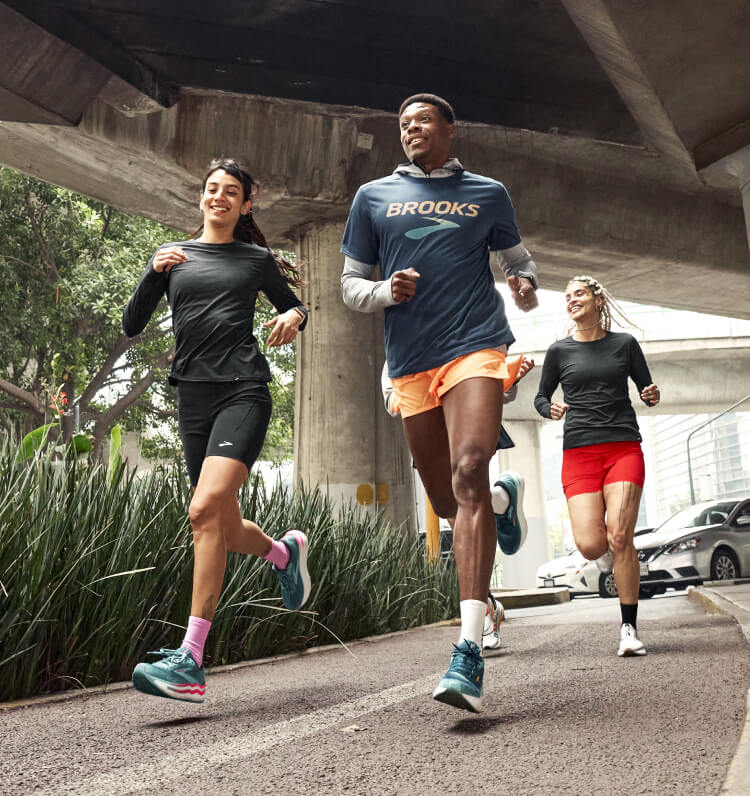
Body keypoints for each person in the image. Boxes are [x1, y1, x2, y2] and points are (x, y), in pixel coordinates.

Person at [342, 93, 540, 712]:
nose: (411, 131)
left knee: (469, 467)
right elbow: (350, 286)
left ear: (451, 129)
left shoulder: (489, 193)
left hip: (476, 345)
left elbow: (518, 261)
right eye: (403, 125)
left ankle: (467, 651)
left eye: (423, 121)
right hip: (410, 363)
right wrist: (383, 291)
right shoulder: (372, 198)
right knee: (447, 502)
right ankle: (502, 509)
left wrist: (526, 288)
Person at [123, 158, 311, 703]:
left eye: (232, 192)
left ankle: (191, 659)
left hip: (242, 392)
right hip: (192, 399)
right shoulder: (175, 257)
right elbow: (132, 325)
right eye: (212, 190)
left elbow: (294, 304)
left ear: (245, 205)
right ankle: (282, 553)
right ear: (202, 198)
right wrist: (152, 271)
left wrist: (295, 316)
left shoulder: (255, 259)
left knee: (202, 510)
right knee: (222, 528)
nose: (220, 197)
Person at [534, 275, 660, 657]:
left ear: (597, 300)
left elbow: (647, 390)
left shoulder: (625, 344)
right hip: (579, 453)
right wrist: (549, 408)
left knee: (620, 536)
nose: (571, 300)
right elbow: (541, 398)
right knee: (591, 545)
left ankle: (628, 627)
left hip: (622, 447)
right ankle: (618, 557)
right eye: (567, 296)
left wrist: (650, 394)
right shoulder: (559, 351)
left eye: (579, 294)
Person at [382, 353, 535, 652]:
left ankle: (482, 618)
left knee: (467, 495)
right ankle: (502, 500)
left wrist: (510, 378)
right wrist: (400, 397)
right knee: (451, 509)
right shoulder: (400, 330)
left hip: (466, 417)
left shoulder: (464, 318)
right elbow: (391, 398)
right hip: (428, 427)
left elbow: (491, 379)